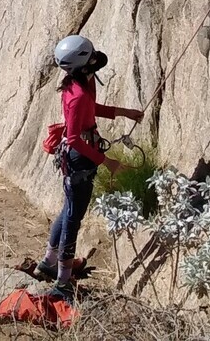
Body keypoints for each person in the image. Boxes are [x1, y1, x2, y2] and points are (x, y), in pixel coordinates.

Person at [31, 34, 142, 296]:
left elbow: (92, 109)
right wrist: (108, 162)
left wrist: (125, 112)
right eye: (90, 56)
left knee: (68, 209)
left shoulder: (79, 83)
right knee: (73, 217)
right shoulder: (78, 93)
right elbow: (73, 138)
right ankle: (62, 280)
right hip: (79, 157)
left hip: (80, 154)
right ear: (82, 64)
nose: (95, 58)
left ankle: (48, 263)